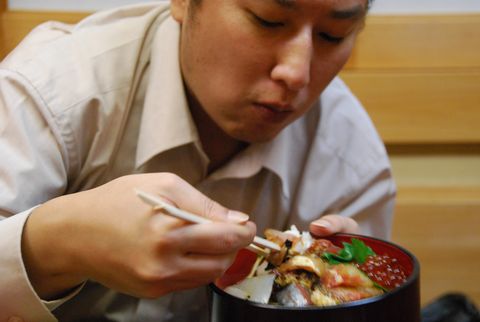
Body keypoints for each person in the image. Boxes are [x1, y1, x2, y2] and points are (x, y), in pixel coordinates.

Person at [0, 0, 395, 321]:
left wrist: (344, 298)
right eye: (268, 20)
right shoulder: (54, 92)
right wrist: (57, 244)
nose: (296, 72)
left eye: (332, 34)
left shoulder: (349, 160)